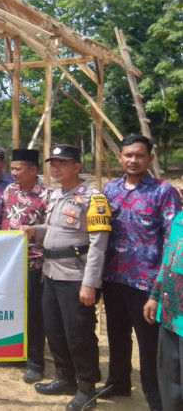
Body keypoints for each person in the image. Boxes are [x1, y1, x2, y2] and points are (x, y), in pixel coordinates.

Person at [23, 144, 111, 411]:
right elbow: (53, 228)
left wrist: (90, 283)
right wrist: (35, 230)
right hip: (50, 272)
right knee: (54, 329)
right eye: (53, 163)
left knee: (79, 334)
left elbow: (98, 244)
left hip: (76, 277)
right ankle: (65, 378)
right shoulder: (56, 195)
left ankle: (87, 387)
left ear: (77, 166)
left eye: (62, 163)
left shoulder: (93, 198)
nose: (55, 168)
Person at [98, 135, 180, 410]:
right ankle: (118, 382)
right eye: (128, 155)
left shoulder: (163, 192)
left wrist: (158, 291)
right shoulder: (110, 190)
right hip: (114, 278)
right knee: (117, 335)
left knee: (149, 345)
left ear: (150, 158)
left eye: (140, 155)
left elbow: (172, 245)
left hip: (147, 283)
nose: (133, 160)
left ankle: (156, 398)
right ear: (119, 157)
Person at [0, 148, 52, 384]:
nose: (14, 173)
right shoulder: (8, 191)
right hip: (10, 264)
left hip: (34, 264)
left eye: (18, 169)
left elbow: (53, 234)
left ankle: (35, 363)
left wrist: (47, 264)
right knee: (14, 311)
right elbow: (1, 220)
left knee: (34, 315)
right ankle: (15, 354)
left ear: (33, 170)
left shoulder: (47, 195)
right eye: (12, 169)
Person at [144, 209, 183, 411]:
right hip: (170, 315)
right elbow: (168, 260)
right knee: (170, 383)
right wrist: (154, 296)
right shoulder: (179, 219)